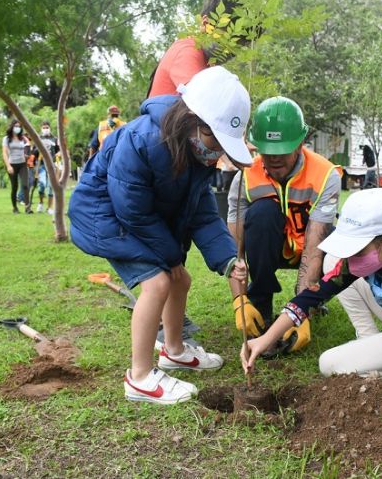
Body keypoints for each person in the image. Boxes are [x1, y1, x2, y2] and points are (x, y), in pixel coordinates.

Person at [68, 66, 252, 405]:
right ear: (192, 120)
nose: (217, 153)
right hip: (105, 216)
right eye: (215, 140)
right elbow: (131, 209)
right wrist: (169, 256)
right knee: (159, 283)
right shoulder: (143, 140)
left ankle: (175, 350)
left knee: (180, 279)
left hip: (138, 219)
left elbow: (202, 213)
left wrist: (227, 258)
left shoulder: (197, 156)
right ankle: (139, 377)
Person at [241, 188, 382, 395]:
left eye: (357, 249)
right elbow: (312, 296)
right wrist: (266, 339)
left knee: (330, 364)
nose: (350, 256)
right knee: (333, 262)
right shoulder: (369, 257)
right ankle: (369, 339)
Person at [227, 96, 342, 356]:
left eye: (281, 151)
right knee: (262, 213)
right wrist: (239, 300)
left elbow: (315, 248)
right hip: (269, 248)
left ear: (300, 143)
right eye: (266, 150)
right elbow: (234, 250)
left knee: (335, 248)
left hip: (309, 249)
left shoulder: (325, 175)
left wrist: (301, 312)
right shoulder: (245, 176)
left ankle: (314, 300)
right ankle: (260, 306)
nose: (273, 158)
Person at [2, 119, 33, 214]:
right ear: (12, 127)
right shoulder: (6, 139)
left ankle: (28, 207)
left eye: (19, 126)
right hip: (12, 164)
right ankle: (15, 207)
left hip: (22, 164)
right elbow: (4, 153)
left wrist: (27, 153)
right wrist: (8, 166)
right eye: (16, 126)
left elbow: (28, 147)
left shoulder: (23, 138)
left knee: (25, 185)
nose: (17, 128)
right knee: (14, 186)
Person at [32, 121, 60, 213]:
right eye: (44, 127)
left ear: (50, 128)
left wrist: (58, 155)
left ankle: (50, 207)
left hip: (52, 165)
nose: (45, 129)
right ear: (41, 129)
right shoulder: (38, 139)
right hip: (41, 165)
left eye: (47, 127)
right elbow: (34, 152)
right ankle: (40, 203)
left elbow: (59, 151)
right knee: (42, 185)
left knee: (51, 186)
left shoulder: (54, 139)